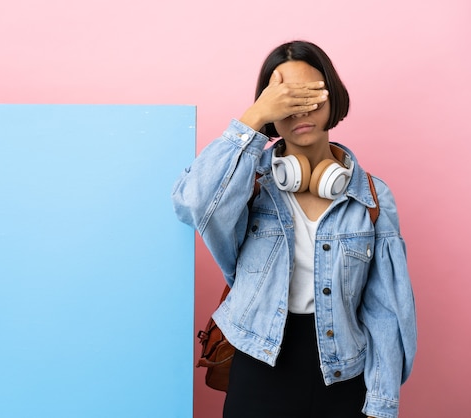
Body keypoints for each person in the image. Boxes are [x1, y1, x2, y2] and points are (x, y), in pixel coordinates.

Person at [172, 40, 417, 418]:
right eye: (286, 100)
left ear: (333, 97)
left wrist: (382, 404)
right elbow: (193, 203)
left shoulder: (371, 195)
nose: (301, 111)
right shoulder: (247, 183)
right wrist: (252, 119)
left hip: (342, 376)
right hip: (257, 367)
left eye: (311, 96)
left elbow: (386, 310)